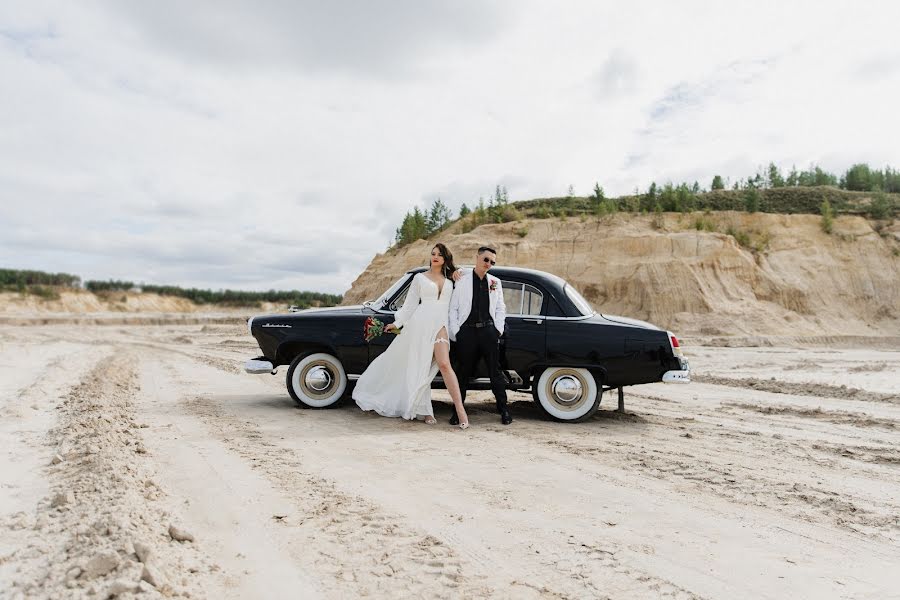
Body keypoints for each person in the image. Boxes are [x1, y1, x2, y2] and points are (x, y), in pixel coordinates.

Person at [353, 244, 470, 429]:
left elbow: (469, 280)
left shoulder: (452, 278)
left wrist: (459, 271)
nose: (435, 257)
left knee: (444, 364)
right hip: (420, 324)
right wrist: (397, 323)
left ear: (446, 258)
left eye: (439, 254)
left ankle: (460, 410)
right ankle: (425, 411)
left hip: (441, 325)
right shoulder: (419, 278)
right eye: (433, 254)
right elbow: (410, 306)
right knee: (420, 367)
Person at [448, 246, 511, 425]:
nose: (488, 264)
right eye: (486, 260)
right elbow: (453, 308)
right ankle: (457, 412)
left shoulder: (495, 282)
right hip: (466, 332)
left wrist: (497, 330)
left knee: (495, 373)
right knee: (462, 373)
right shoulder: (462, 279)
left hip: (488, 332)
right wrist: (456, 331)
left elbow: (501, 308)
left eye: (492, 262)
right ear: (477, 258)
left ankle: (504, 410)